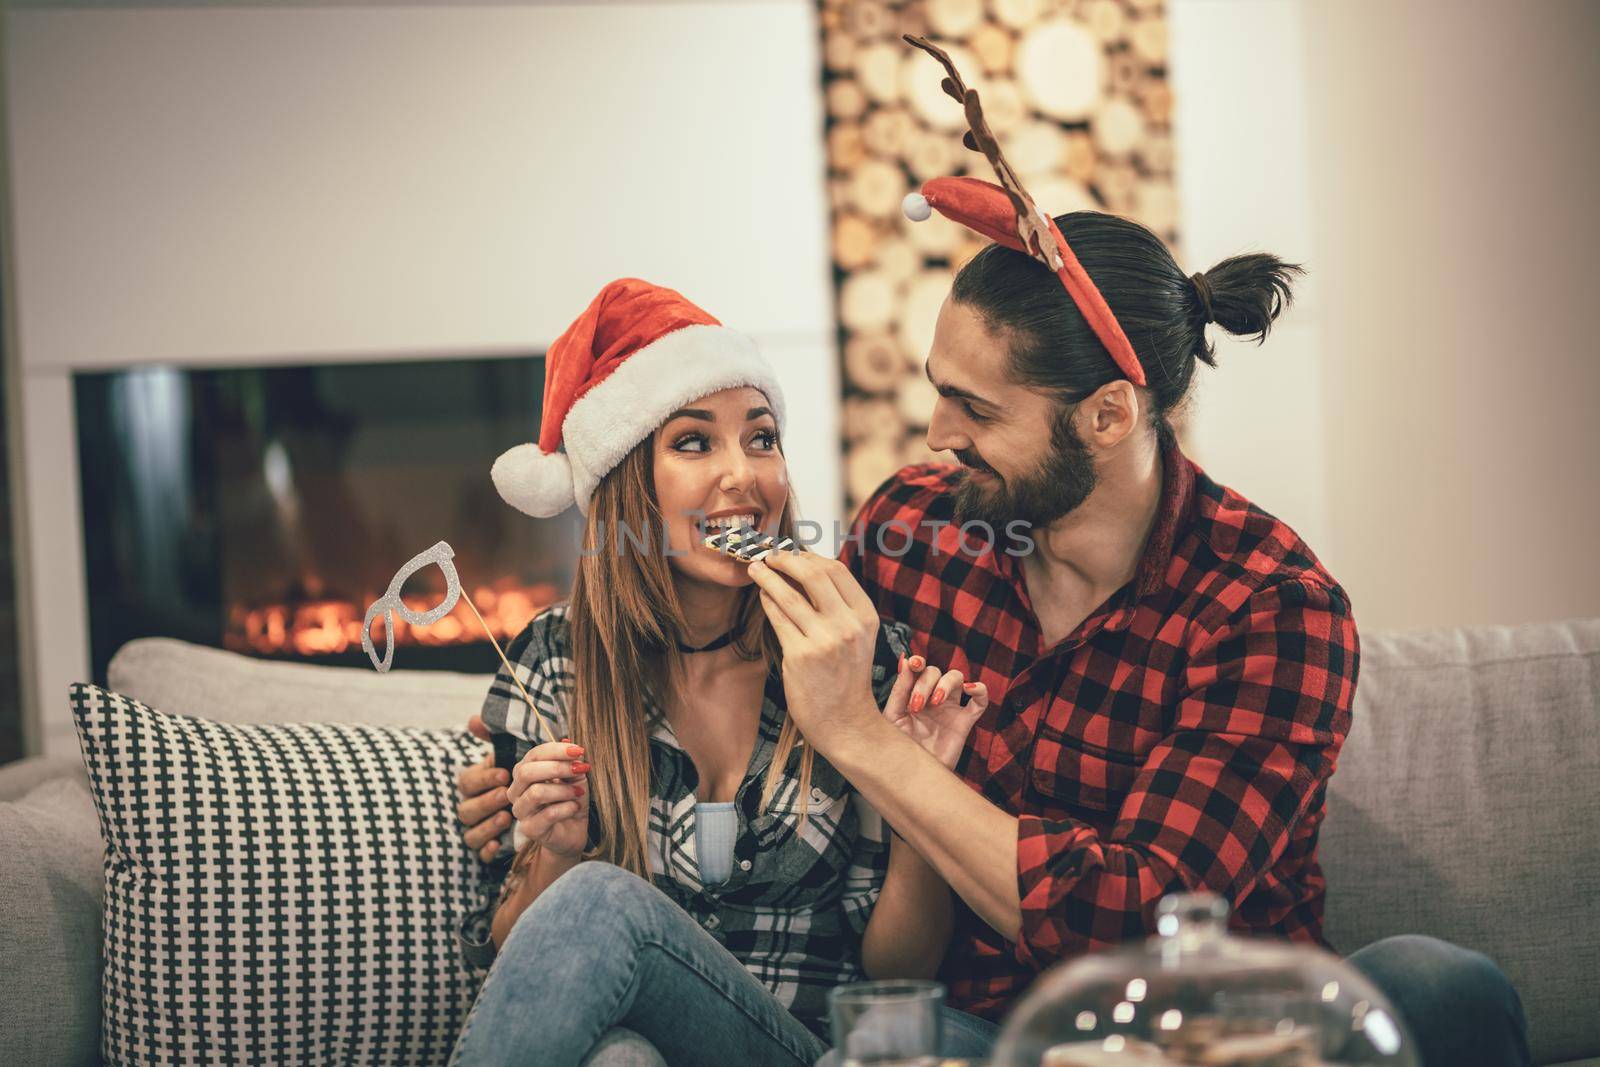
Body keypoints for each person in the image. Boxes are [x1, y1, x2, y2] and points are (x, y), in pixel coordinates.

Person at [458, 213, 1529, 1065]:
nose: (934, 435)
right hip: (972, 1030)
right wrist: (529, 782)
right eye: (936, 392)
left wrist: (865, 739)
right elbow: (717, 626)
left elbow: (1132, 917)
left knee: (1442, 982)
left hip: (1197, 1031)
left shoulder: (1269, 605)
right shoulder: (915, 528)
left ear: (1107, 415)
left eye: (973, 407)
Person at [448, 278, 991, 1067]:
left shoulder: (849, 651)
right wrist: (561, 848)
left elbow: (897, 971)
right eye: (695, 442)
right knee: (619, 1058)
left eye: (761, 438)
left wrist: (919, 793)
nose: (744, 476)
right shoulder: (553, 661)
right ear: (629, 479)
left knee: (603, 905)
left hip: (815, 1046)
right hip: (667, 1043)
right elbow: (512, 953)